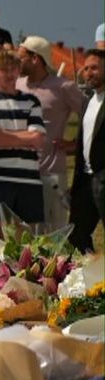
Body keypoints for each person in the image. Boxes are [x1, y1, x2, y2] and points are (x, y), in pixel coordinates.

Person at [15, 36, 86, 232]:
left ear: (35, 59)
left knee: (54, 233)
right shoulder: (16, 85)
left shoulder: (63, 87)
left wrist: (75, 144)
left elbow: (92, 116)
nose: (16, 62)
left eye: (21, 58)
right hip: (20, 171)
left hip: (52, 173)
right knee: (23, 234)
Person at [0, 49, 46, 237]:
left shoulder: (31, 101)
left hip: (29, 177)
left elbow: (38, 140)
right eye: (5, 69)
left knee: (27, 236)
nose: (10, 74)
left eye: (14, 69)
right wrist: (25, 137)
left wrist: (4, 135)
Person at [67, 48, 103, 252]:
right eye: (87, 68)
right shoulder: (89, 102)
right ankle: (93, 277)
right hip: (85, 181)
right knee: (77, 235)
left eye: (95, 68)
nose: (89, 72)